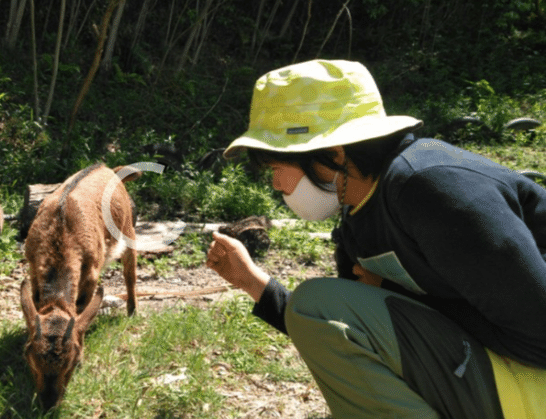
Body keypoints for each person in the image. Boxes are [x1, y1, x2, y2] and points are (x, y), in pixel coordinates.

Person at [206, 59, 546, 418]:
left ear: (334, 153)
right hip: (499, 376)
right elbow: (346, 337)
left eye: (277, 168)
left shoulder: (433, 187)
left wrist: (402, 296)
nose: (275, 185)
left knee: (315, 300)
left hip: (532, 379)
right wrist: (252, 282)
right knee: (315, 304)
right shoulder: (358, 220)